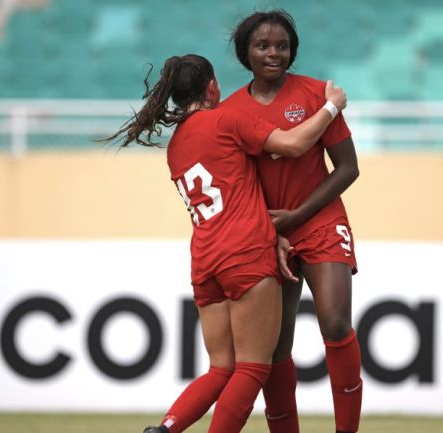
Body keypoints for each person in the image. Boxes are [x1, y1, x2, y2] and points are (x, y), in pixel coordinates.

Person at [102, 54, 346, 433]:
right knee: (253, 367)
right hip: (245, 255)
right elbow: (295, 144)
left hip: (205, 262)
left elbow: (230, 190)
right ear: (212, 87)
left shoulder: (177, 145)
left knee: (221, 369)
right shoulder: (226, 119)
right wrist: (332, 106)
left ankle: (166, 428)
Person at [223, 10, 362, 433]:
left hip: (319, 219)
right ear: (245, 53)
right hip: (267, 233)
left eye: (282, 46)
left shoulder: (317, 95)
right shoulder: (230, 111)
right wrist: (270, 230)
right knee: (275, 349)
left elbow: (348, 168)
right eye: (263, 45)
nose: (274, 53)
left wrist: (300, 214)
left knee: (336, 322)